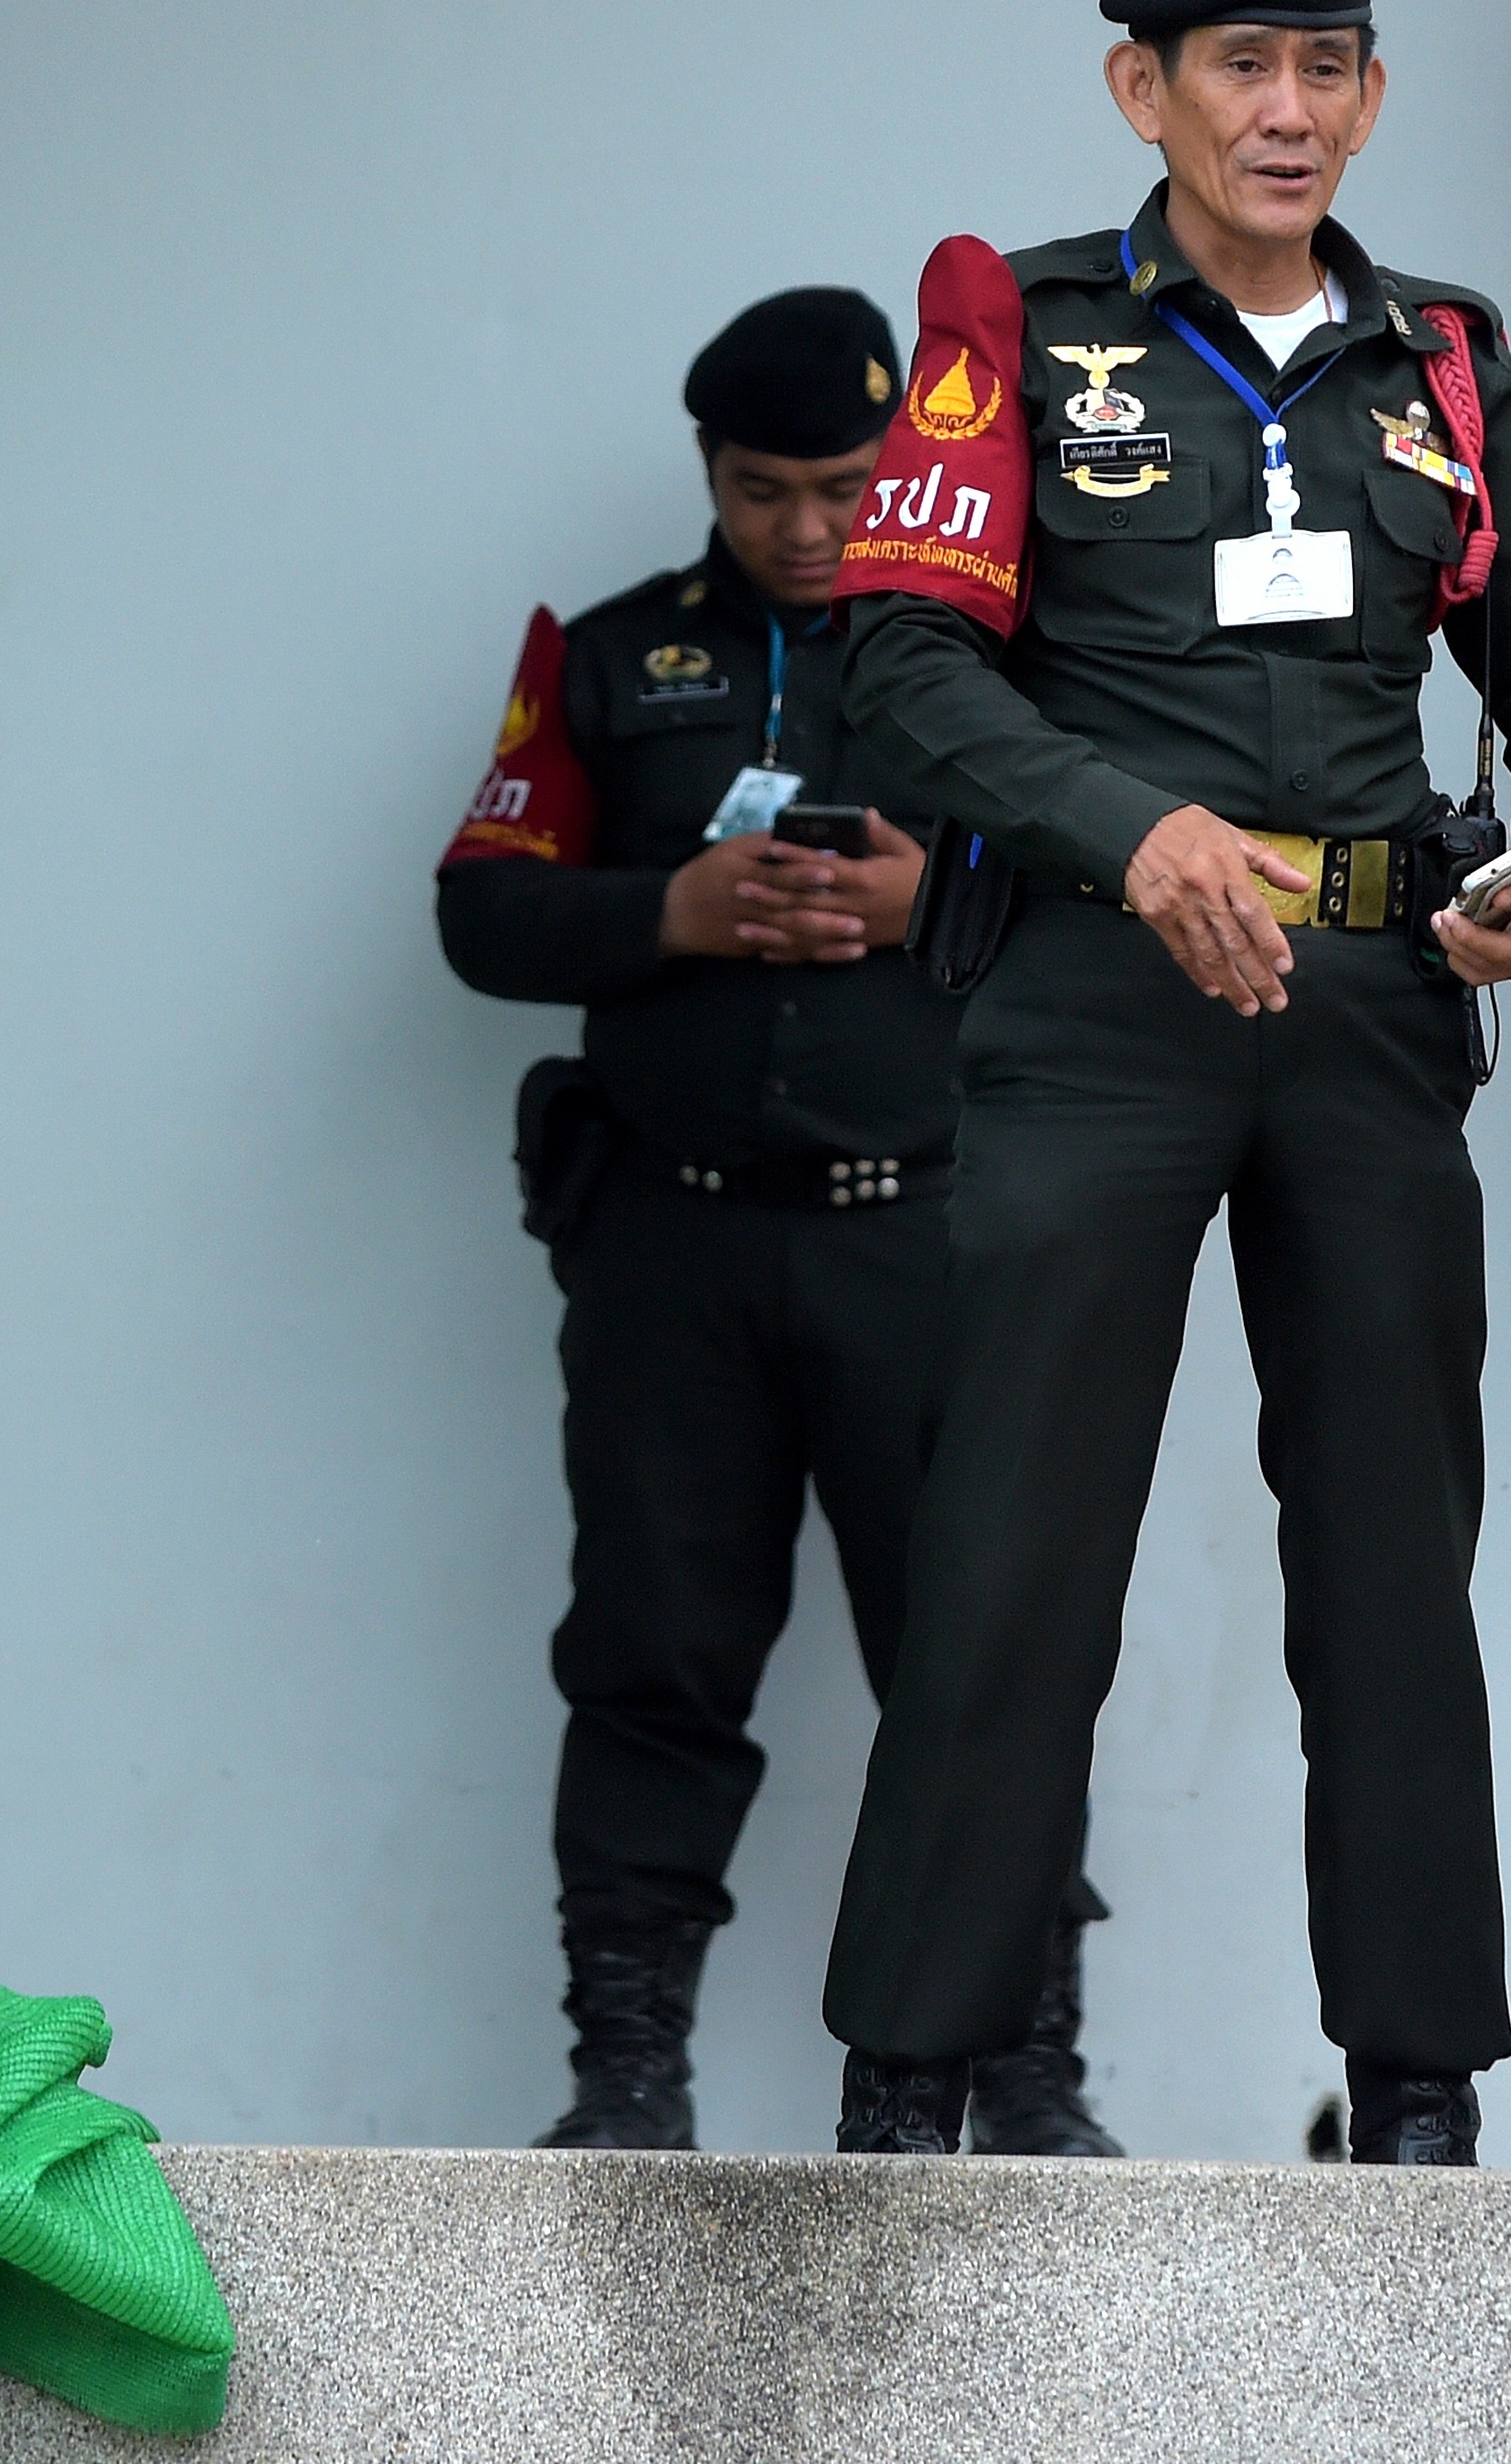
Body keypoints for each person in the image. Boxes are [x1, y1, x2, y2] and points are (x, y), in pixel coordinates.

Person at [812, 0, 1511, 2162]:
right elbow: (902, 670)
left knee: (1393, 1561)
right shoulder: (1031, 332)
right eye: (1240, 69)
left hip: (1374, 1011)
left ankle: (1418, 2092)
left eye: (1329, 70)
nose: (1290, 112)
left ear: (1372, 98)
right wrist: (1130, 826)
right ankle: (915, 2083)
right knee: (1014, 1553)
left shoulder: (1445, 356)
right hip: (1102, 999)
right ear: (1143, 96)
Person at [437, 288, 1121, 2158]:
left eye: (842, 485)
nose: (809, 530)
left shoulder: (1015, 660)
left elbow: (1144, 909)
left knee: (985, 1658)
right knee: (653, 1657)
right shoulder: (606, 659)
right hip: (675, 1250)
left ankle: (1034, 2079)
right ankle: (625, 2073)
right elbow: (480, 911)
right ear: (710, 478)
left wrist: (934, 914)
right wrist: (673, 913)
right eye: (764, 492)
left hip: (937, 1245)